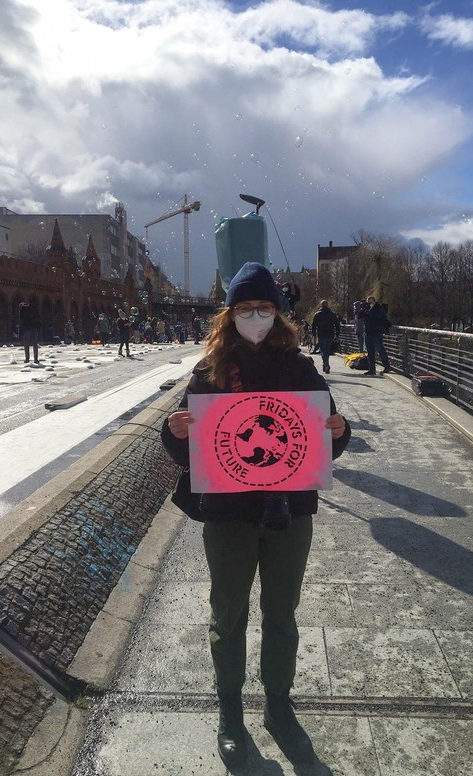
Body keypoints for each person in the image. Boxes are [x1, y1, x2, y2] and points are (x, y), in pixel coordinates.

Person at [161, 262, 350, 769]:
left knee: (281, 614)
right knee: (228, 613)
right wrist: (174, 430)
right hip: (226, 513)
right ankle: (229, 712)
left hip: (290, 511)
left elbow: (327, 439)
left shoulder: (300, 369)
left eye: (263, 308)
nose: (255, 317)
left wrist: (338, 430)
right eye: (245, 309)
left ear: (279, 313)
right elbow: (189, 450)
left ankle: (277, 706)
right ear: (230, 315)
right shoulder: (209, 372)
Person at [363, 295, 392, 375]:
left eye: (370, 302)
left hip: (376, 332)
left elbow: (379, 318)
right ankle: (372, 369)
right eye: (368, 302)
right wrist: (364, 309)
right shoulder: (367, 309)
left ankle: (387, 366)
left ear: (374, 301)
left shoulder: (379, 309)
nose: (369, 304)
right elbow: (360, 316)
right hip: (368, 333)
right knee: (370, 352)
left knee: (380, 349)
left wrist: (370, 311)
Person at [311, 299, 340, 373]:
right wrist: (337, 334)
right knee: (327, 349)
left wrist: (314, 333)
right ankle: (326, 363)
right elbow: (337, 325)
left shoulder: (318, 314)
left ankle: (325, 363)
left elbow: (314, 325)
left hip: (321, 334)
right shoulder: (332, 314)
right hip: (330, 334)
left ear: (321, 305)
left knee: (323, 350)